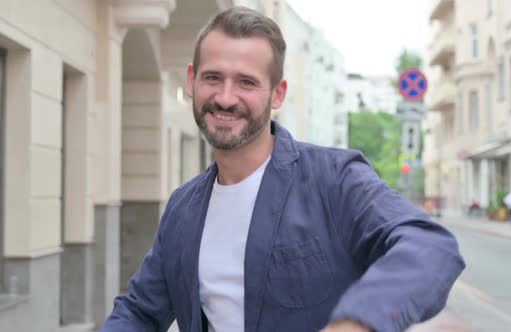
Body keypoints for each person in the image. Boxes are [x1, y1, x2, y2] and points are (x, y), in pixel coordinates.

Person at [100, 7, 464, 332]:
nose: (226, 97)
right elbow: (141, 313)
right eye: (213, 78)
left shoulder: (334, 179)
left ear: (277, 94)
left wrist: (358, 321)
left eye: (246, 82)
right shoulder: (183, 207)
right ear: (192, 81)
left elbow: (431, 246)